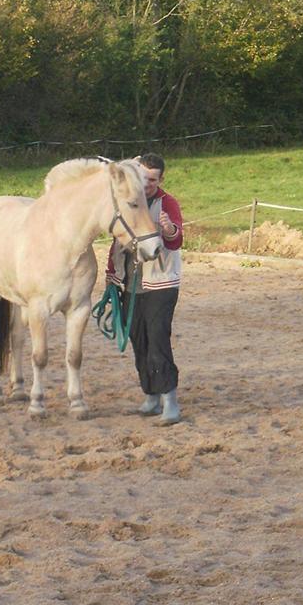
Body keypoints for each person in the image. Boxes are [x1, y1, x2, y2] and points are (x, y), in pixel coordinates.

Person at [106, 152, 183, 425]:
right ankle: (151, 395)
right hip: (132, 284)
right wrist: (112, 274)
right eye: (143, 177)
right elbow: (118, 239)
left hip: (160, 283)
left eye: (152, 179)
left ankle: (170, 402)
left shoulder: (167, 203)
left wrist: (169, 228)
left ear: (160, 179)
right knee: (139, 340)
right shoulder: (129, 199)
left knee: (157, 340)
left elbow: (176, 241)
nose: (147, 184)